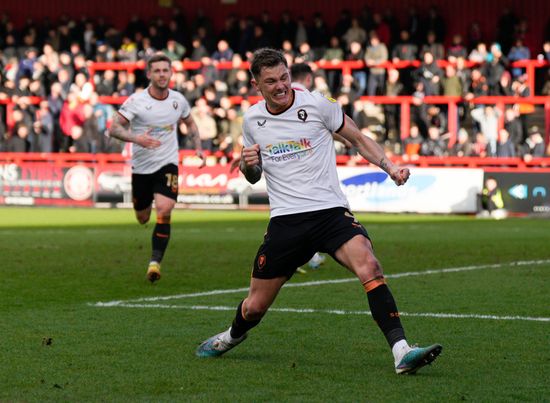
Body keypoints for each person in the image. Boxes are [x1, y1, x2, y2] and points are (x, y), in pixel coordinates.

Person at [196, 48, 442, 375]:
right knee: (255, 306)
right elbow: (254, 173)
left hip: (330, 213)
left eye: (284, 77)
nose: (281, 86)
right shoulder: (253, 120)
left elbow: (357, 137)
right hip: (286, 221)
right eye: (271, 81)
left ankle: (401, 351)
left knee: (369, 264)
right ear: (257, 85)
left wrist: (389, 166)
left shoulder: (317, 104)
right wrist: (246, 166)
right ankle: (231, 336)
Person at [109, 53, 204, 283]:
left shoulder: (178, 100)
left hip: (167, 162)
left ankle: (154, 263)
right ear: (149, 74)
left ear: (171, 73)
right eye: (157, 71)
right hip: (141, 166)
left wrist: (198, 148)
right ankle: (143, 209)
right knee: (142, 217)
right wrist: (136, 138)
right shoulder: (136, 101)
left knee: (165, 207)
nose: (162, 74)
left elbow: (190, 123)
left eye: (165, 70)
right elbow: (114, 128)